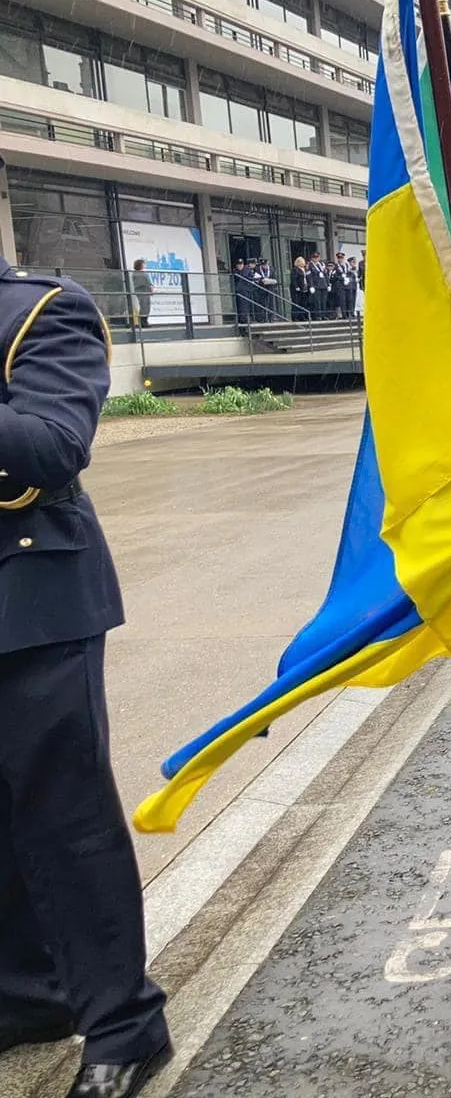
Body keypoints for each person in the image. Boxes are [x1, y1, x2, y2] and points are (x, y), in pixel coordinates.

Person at [0, 258, 172, 1097]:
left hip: (30, 599)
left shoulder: (42, 311)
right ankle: (28, 1000)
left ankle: (123, 1026)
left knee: (64, 822)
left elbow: (54, 444)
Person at [128, 259, 153, 329]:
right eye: (143, 264)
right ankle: (143, 322)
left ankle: (143, 322)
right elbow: (147, 282)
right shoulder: (141, 274)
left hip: (141, 291)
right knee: (145, 306)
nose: (145, 265)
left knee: (144, 306)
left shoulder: (136, 274)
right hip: (143, 291)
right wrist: (151, 288)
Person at [307, 250, 330, 319]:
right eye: (314, 257)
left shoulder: (322, 264)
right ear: (312, 258)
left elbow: (326, 275)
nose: (316, 259)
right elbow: (309, 276)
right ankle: (318, 315)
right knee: (317, 302)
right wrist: (311, 286)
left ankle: (324, 315)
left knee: (324, 301)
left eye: (317, 257)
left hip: (323, 285)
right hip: (316, 285)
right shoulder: (310, 265)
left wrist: (328, 284)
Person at [290, 254, 312, 321]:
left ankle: (302, 316)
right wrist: (296, 286)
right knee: (296, 303)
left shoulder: (304, 269)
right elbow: (294, 279)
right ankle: (295, 317)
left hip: (304, 288)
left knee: (303, 303)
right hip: (297, 289)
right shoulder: (295, 269)